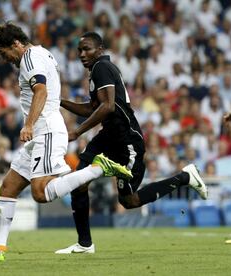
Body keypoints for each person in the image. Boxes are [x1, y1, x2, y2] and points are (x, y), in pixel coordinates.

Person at [0, 23, 132, 262]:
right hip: (42, 132)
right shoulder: (43, 52)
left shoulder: (28, 58)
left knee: (40, 193)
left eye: (5, 53)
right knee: (8, 187)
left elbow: (41, 92)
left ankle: (99, 169)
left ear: (16, 44)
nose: (5, 59)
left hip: (45, 130)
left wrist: (28, 124)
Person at [56, 32, 208, 254]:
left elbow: (107, 106)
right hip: (108, 136)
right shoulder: (97, 71)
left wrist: (77, 132)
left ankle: (185, 177)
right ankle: (84, 243)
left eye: (86, 48)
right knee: (79, 182)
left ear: (100, 49)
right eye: (79, 50)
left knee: (129, 201)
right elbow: (92, 108)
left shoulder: (102, 67)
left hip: (126, 140)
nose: (82, 54)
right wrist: (59, 102)